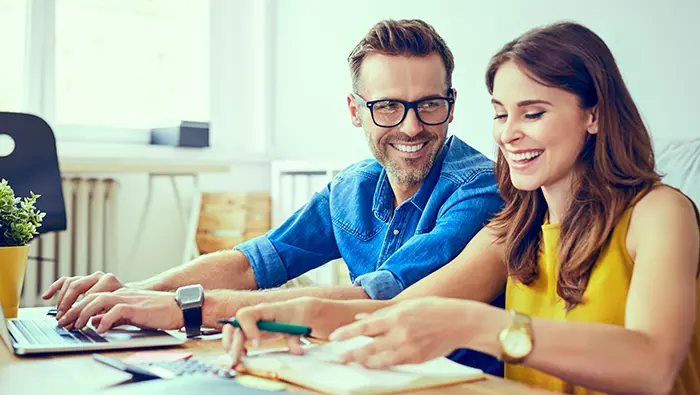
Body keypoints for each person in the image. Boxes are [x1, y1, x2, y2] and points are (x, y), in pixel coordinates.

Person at [223, 21, 700, 395]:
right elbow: (396, 311)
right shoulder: (516, 225)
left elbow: (653, 367)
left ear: (594, 113)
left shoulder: (659, 215)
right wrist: (285, 315)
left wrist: (479, 324)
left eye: (532, 113)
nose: (508, 133)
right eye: (499, 113)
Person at [41, 20, 505, 373]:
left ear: (451, 104)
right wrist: (132, 292)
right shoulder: (352, 186)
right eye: (386, 106)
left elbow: (380, 297)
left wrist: (185, 306)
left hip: (450, 379)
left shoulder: (478, 188)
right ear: (354, 111)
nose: (411, 126)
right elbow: (253, 262)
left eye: (429, 104)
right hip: (367, 371)